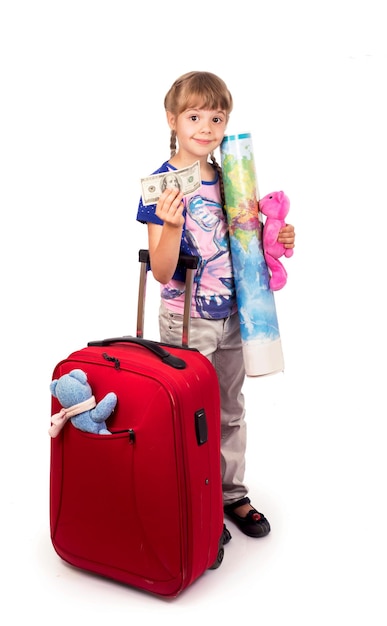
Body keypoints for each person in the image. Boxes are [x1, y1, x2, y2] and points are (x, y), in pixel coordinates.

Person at [136, 71, 295, 540]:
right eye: (194, 116)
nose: (206, 127)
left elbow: (248, 245)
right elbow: (163, 272)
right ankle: (194, 497)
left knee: (229, 411)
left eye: (216, 117)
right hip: (187, 319)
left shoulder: (231, 179)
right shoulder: (161, 187)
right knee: (190, 412)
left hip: (234, 313)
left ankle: (230, 493)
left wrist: (279, 235)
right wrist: (169, 225)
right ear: (172, 120)